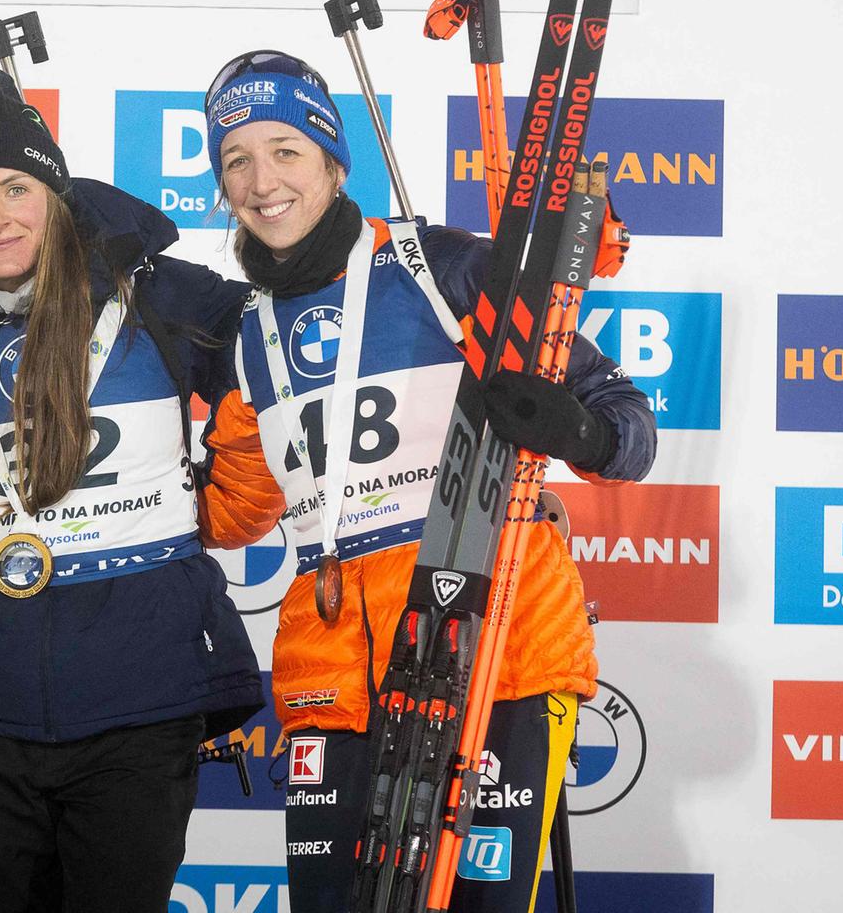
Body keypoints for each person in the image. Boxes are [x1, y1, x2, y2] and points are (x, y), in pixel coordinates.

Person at [193, 51, 657, 913]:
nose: (262, 180)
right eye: (236, 159)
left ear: (335, 162)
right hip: (334, 664)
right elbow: (230, 512)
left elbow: (625, 426)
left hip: (498, 644)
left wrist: (575, 429)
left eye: (285, 150)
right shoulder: (248, 335)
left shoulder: (441, 270)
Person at [0, 69, 263, 912]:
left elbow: (294, 355)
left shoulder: (156, 291)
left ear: (54, 195)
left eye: (16, 187)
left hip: (137, 696)